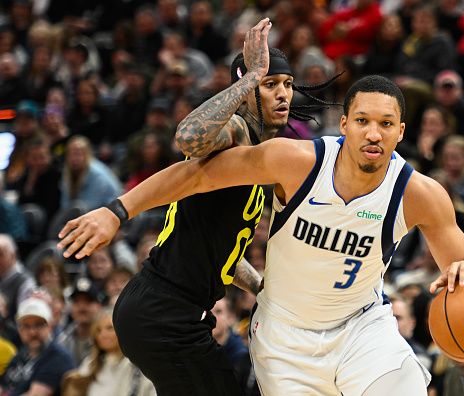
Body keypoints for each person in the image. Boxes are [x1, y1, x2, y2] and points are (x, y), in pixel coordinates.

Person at [59, 74, 464, 394]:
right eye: (363, 120)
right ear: (343, 123)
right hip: (284, 337)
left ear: (401, 132)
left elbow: (462, 262)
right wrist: (119, 210)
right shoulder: (294, 161)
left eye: (386, 124)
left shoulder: (420, 193)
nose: (373, 133)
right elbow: (195, 176)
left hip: (361, 327)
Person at [58, 18, 336, 395]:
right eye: (270, 85)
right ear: (246, 90)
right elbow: (188, 137)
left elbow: (221, 248)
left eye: (287, 84)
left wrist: (260, 286)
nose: (283, 94)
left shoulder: (258, 159)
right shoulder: (237, 132)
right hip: (165, 309)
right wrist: (250, 76)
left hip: (168, 310)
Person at [1, 297, 75, 395]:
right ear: (20, 330)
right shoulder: (21, 355)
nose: (32, 332)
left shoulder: (58, 357)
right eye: (26, 326)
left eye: (39, 325)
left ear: (50, 327)